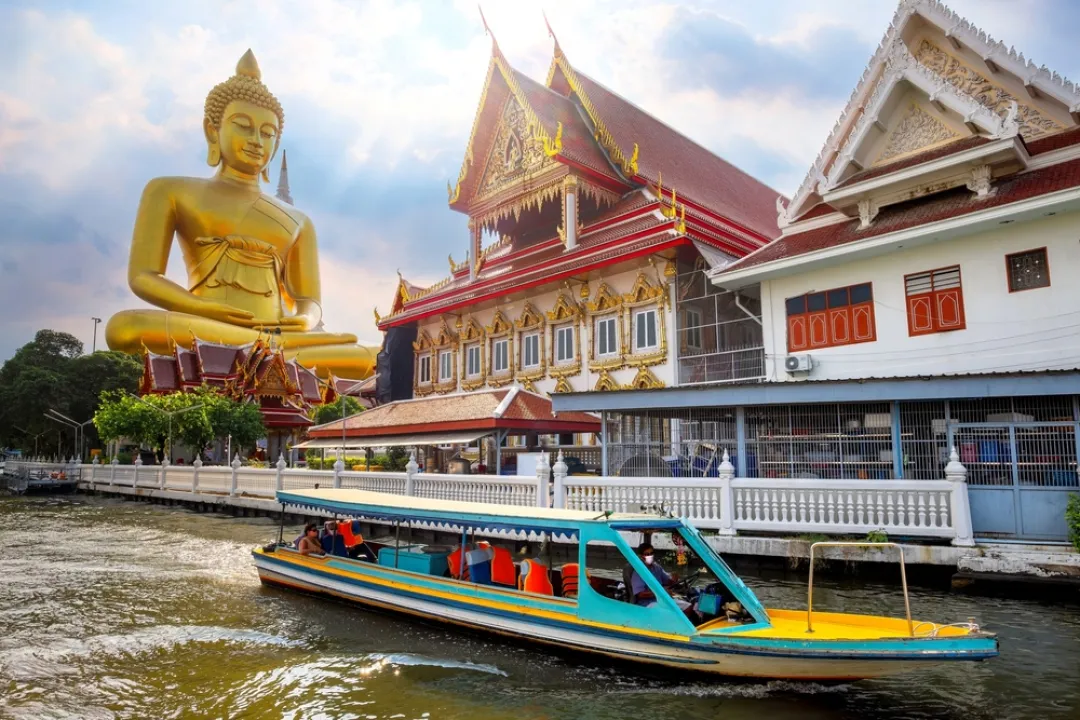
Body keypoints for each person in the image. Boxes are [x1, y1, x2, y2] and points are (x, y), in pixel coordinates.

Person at [629, 542, 695, 617]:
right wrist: (661, 592)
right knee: (669, 612)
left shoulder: (657, 568)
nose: (650, 556)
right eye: (647, 554)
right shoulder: (638, 572)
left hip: (662, 600)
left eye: (651, 553)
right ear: (641, 556)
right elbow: (640, 595)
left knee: (688, 607)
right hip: (647, 604)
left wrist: (674, 579)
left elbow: (668, 581)